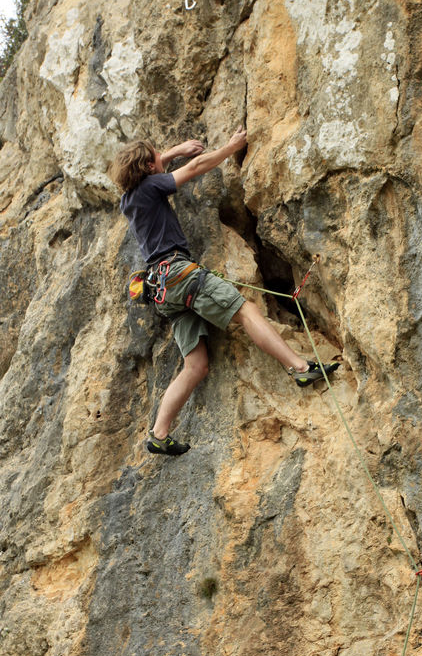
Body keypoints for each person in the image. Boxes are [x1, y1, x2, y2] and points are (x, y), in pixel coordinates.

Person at [109, 130, 339, 455]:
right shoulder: (151, 186)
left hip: (163, 291)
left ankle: (159, 434)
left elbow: (158, 163)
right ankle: (301, 369)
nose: (162, 158)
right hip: (180, 274)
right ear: (147, 167)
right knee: (245, 310)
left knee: (196, 367)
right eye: (156, 157)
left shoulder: (129, 198)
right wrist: (230, 148)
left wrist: (175, 150)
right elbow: (195, 167)